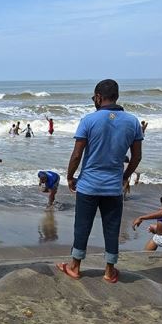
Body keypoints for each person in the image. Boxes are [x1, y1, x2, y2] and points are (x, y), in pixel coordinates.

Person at [57, 79, 143, 283]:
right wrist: (124, 176)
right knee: (112, 227)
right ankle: (109, 270)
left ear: (98, 96)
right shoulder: (132, 121)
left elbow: (77, 154)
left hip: (89, 184)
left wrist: (69, 176)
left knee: (82, 225)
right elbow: (137, 157)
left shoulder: (88, 120)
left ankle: (75, 267)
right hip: (113, 186)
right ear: (116, 96)